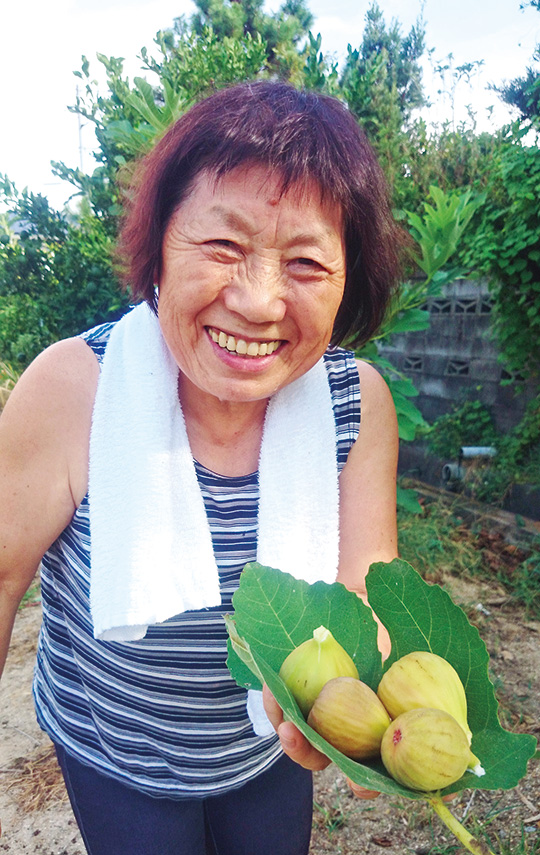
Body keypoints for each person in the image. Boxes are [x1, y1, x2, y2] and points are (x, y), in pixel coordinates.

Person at [0, 80, 403, 854]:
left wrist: (373, 710)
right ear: (159, 245)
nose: (258, 302)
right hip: (114, 753)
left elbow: (365, 586)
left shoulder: (357, 405)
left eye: (306, 262)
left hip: (268, 746)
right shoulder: (73, 390)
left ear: (349, 278)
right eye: (223, 246)